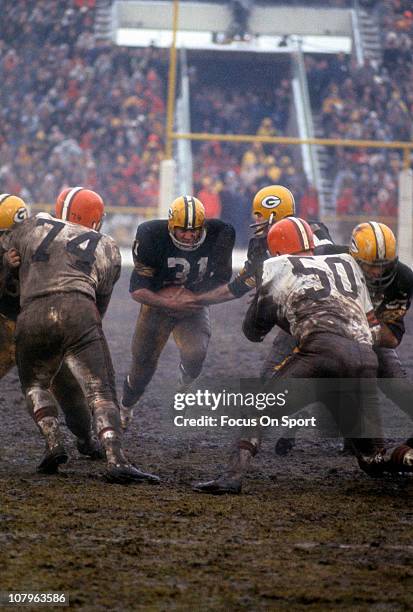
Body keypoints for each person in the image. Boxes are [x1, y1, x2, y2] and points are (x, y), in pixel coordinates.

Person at [194, 217, 384, 494]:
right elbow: (373, 327)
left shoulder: (277, 266)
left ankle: (232, 476)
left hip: (322, 352)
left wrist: (273, 304)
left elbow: (253, 330)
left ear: (278, 248)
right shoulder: (346, 263)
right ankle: (403, 457)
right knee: (373, 459)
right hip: (365, 358)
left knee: (258, 409)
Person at [2, 187, 159, 484]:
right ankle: (115, 458)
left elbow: (8, 257)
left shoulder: (32, 226)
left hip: (30, 314)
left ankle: (54, 442)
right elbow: (100, 305)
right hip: (77, 310)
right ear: (96, 220)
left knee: (35, 384)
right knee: (101, 390)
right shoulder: (108, 245)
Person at [0, 193, 104, 464]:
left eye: (13, 232)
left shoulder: (42, 235)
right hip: (6, 325)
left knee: (68, 390)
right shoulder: (33, 235)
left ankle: (82, 439)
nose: (11, 239)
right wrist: (4, 268)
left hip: (37, 323)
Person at [120, 195, 235, 429]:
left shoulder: (221, 233)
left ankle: (184, 385)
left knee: (195, 353)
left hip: (192, 305)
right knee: (142, 366)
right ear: (171, 225)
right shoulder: (151, 234)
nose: (189, 235)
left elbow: (222, 279)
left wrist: (194, 297)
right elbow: (137, 290)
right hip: (157, 305)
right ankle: (126, 406)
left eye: (194, 230)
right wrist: (169, 302)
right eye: (183, 230)